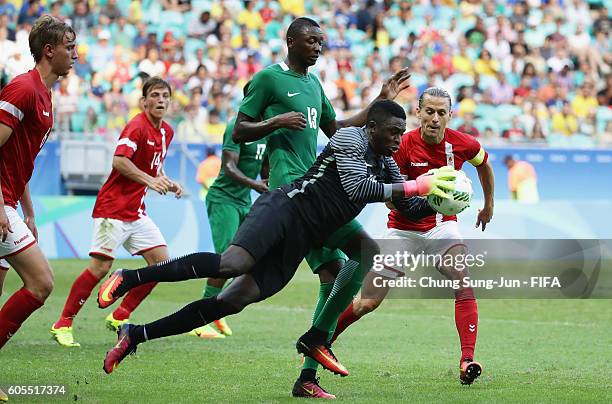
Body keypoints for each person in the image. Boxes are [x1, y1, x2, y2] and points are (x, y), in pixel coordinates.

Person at [97, 100, 457, 382]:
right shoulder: (350, 138)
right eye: (393, 132)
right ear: (372, 126)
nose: (398, 140)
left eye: (401, 133)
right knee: (231, 264)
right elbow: (357, 187)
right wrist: (415, 184)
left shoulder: (386, 160)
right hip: (285, 209)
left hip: (306, 234)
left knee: (233, 301)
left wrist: (440, 198)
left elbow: (407, 204)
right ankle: (130, 278)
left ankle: (135, 334)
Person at [231, 17, 411, 398]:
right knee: (357, 257)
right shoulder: (268, 79)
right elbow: (239, 130)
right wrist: (276, 120)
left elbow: (339, 128)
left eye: (321, 42)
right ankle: (312, 348)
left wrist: (380, 102)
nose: (318, 47)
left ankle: (308, 370)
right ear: (291, 41)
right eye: (311, 40)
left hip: (316, 190)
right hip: (292, 195)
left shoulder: (313, 84)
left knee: (333, 277)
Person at [330, 87, 495, 386]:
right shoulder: (402, 144)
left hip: (443, 226)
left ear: (449, 115)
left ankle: (467, 359)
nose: (434, 118)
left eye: (441, 113)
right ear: (418, 112)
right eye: (429, 111)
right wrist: (429, 198)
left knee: (462, 277)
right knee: (367, 302)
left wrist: (488, 206)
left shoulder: (463, 144)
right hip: (402, 229)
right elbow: (392, 199)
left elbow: (484, 164)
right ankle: (322, 341)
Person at [50, 77, 183, 347]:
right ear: (143, 101)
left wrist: (165, 181)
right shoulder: (136, 127)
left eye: (165, 96)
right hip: (113, 208)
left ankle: (120, 315)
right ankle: (63, 323)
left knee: (163, 265)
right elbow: (120, 161)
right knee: (100, 267)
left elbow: (154, 167)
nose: (160, 100)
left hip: (136, 211)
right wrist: (150, 181)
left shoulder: (166, 131)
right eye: (155, 95)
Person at [0, 15, 77, 350]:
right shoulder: (23, 89)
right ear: (49, 50)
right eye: (69, 47)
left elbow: (19, 161)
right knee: (41, 282)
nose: (75, 54)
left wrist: (28, 213)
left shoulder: (45, 97)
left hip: (11, 202)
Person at [190, 111, 269, 339]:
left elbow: (264, 166)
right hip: (224, 198)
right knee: (226, 260)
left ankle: (216, 309)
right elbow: (229, 168)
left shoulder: (267, 128)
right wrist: (254, 184)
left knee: (250, 259)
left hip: (244, 200)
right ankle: (200, 318)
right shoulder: (237, 126)